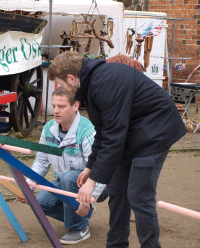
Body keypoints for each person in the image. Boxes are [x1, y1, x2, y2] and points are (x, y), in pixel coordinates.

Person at [47, 51, 186, 248]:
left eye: (62, 84)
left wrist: (92, 183)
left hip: (155, 132)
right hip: (131, 133)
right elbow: (103, 132)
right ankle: (116, 245)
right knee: (118, 193)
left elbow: (114, 136)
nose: (62, 88)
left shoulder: (106, 83)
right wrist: (90, 168)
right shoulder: (92, 86)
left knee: (139, 196)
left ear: (71, 77)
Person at [19, 87, 107, 245]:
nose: (56, 111)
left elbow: (101, 167)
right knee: (40, 203)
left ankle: (78, 228)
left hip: (99, 181)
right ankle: (83, 215)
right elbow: (41, 162)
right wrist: (28, 186)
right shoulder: (49, 129)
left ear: (75, 105)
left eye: (61, 106)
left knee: (68, 178)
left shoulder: (87, 131)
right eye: (54, 106)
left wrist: (90, 198)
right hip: (66, 181)